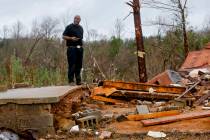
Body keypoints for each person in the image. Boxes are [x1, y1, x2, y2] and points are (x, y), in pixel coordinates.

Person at [63, 15, 84, 85]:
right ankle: (71, 81)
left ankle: (78, 81)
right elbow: (63, 36)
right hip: (71, 48)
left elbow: (81, 38)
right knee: (72, 65)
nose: (77, 20)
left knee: (79, 65)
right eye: (76, 19)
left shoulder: (81, 28)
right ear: (74, 19)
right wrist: (71, 38)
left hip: (79, 48)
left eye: (79, 19)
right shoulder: (69, 27)